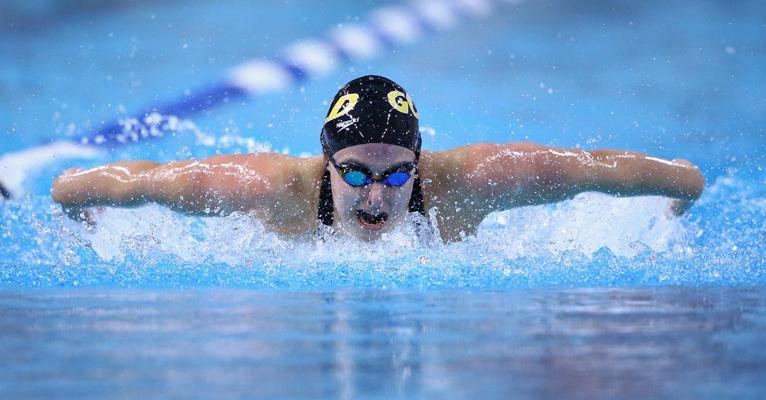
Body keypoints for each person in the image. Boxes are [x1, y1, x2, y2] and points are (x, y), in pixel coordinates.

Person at [52, 75, 705, 242]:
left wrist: (681, 195)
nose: (376, 197)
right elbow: (130, 182)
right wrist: (77, 205)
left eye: (397, 174)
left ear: (420, 159)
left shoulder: (477, 180)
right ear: (326, 161)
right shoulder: (263, 187)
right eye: (356, 173)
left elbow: (600, 167)